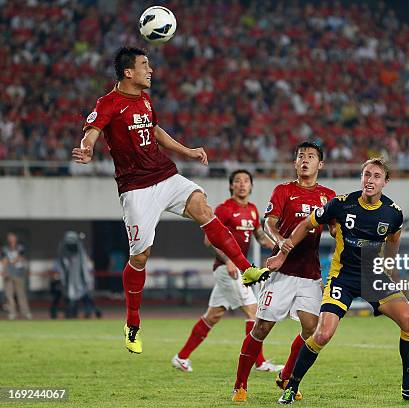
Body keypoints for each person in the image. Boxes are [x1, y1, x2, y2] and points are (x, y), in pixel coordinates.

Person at [73, 46, 268, 354]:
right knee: (140, 257)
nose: (150, 70)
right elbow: (92, 130)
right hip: (136, 188)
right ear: (128, 72)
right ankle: (133, 324)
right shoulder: (109, 102)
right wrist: (86, 148)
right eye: (144, 65)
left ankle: (246, 268)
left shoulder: (146, 99)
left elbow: (154, 131)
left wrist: (187, 151)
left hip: (165, 175)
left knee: (203, 207)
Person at [262, 158, 409, 404]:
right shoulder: (341, 204)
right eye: (366, 174)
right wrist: (282, 253)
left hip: (373, 277)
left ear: (385, 182)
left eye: (376, 176)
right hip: (342, 277)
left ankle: (408, 388)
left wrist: (388, 266)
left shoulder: (393, 213)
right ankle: (291, 386)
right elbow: (305, 224)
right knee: (323, 333)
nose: (370, 180)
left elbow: (394, 239)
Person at [232, 142, 336, 402]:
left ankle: (286, 376)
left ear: (320, 164)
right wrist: (279, 240)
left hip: (310, 274)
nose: (305, 160)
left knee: (312, 330)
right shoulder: (284, 190)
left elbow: (335, 228)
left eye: (311, 157)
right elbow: (269, 222)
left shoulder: (329, 196)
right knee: (262, 327)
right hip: (283, 273)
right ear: (295, 162)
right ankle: (240, 384)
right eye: (301, 156)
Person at [171, 169, 281, 373]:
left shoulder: (254, 210)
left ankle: (181, 357)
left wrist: (279, 245)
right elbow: (208, 239)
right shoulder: (224, 209)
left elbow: (259, 236)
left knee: (212, 316)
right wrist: (229, 260)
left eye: (246, 181)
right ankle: (261, 362)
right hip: (227, 269)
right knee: (254, 312)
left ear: (251, 186)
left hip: (235, 270)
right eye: (237, 181)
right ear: (231, 186)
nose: (242, 184)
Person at [56, 231, 102, 319]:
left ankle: (92, 312)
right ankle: (72, 314)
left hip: (81, 281)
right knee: (72, 298)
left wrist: (88, 281)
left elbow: (84, 267)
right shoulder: (64, 253)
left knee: (87, 298)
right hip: (70, 281)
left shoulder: (80, 252)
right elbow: (62, 267)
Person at [1, 232, 32, 320]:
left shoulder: (20, 247)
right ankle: (12, 313)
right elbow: (4, 260)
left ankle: (25, 312)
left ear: (16, 238)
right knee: (9, 294)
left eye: (12, 237)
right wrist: (4, 270)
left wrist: (12, 261)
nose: (11, 239)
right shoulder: (5, 249)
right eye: (9, 237)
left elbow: (20, 257)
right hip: (8, 274)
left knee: (21, 294)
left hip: (19, 274)